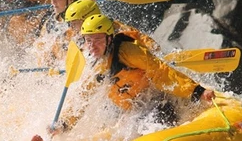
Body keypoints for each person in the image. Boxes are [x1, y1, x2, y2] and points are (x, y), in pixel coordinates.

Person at [78, 13, 214, 123]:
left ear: (109, 39)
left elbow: (161, 72)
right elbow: (83, 97)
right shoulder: (94, 66)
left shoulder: (128, 52)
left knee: (158, 116)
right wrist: (64, 124)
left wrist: (197, 91)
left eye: (98, 39)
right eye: (88, 40)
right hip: (129, 110)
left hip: (155, 99)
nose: (92, 46)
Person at [63, 0, 159, 53]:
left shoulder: (117, 30)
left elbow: (147, 41)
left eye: (74, 23)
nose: (72, 27)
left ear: (87, 19)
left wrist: (153, 49)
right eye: (71, 24)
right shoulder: (78, 35)